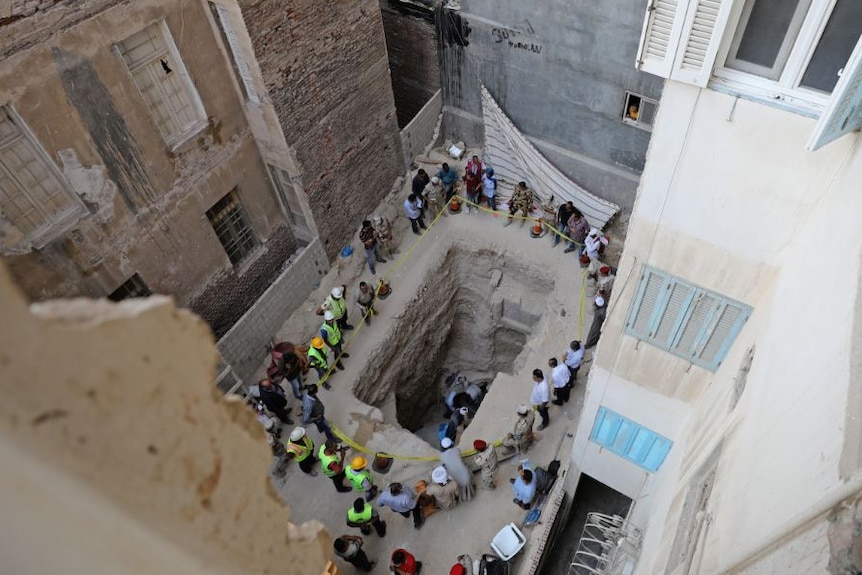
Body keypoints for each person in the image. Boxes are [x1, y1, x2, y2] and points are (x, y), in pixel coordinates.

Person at [439, 437, 475, 502]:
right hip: (465, 474)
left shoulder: (442, 456)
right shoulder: (456, 450)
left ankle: (463, 497)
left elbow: (444, 465)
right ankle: (469, 495)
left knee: (460, 486)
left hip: (455, 477)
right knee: (467, 486)